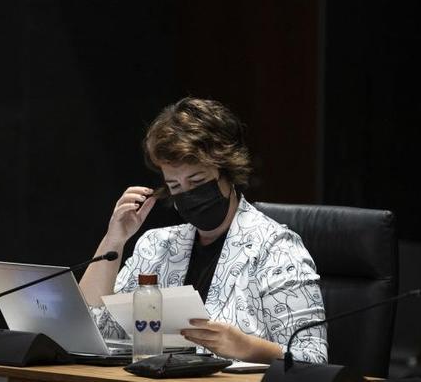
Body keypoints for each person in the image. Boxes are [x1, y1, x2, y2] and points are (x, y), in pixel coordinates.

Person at [78, 97, 328, 364]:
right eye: (174, 186)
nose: (187, 194)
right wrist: (113, 240)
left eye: (197, 180)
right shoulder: (157, 246)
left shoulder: (277, 248)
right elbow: (92, 331)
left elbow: (312, 359)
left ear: (227, 172)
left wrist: (247, 347)